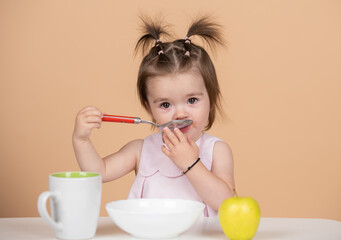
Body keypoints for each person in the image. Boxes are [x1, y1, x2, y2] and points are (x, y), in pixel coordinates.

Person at [72, 16, 235, 216]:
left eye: (192, 100)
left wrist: (190, 163)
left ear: (212, 98)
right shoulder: (141, 150)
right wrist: (81, 140)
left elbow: (227, 202)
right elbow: (99, 172)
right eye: (165, 104)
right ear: (148, 108)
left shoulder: (216, 150)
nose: (180, 113)